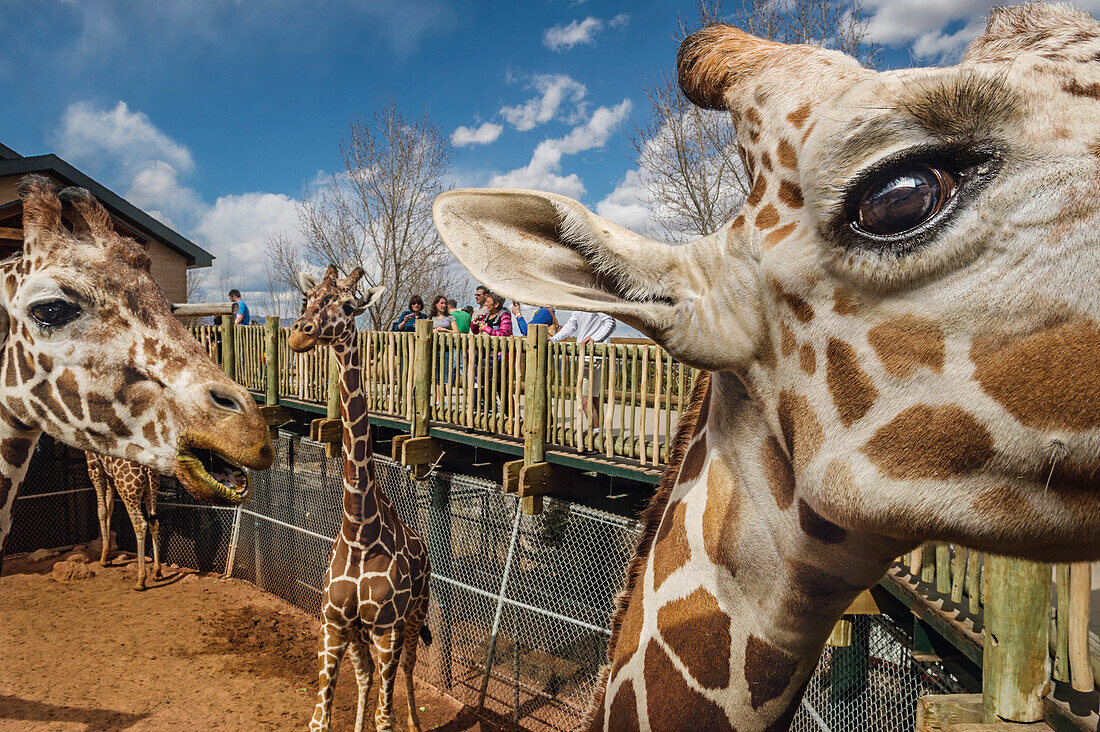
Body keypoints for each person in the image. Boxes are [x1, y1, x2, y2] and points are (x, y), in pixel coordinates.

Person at [551, 310, 616, 428]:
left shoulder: (595, 300)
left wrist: (595, 339)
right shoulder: (580, 304)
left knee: (585, 399)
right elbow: (572, 324)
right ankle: (599, 434)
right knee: (593, 400)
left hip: (593, 357)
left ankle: (596, 437)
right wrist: (554, 339)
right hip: (586, 357)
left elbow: (611, 323)